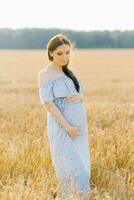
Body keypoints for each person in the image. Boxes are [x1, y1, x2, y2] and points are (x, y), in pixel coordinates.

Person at [38, 34, 91, 199]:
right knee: (73, 170)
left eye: (67, 52)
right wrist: (67, 128)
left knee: (84, 167)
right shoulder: (45, 73)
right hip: (62, 128)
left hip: (80, 130)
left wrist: (80, 98)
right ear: (51, 53)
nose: (65, 57)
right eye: (60, 53)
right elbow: (47, 103)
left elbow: (80, 94)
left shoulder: (71, 71)